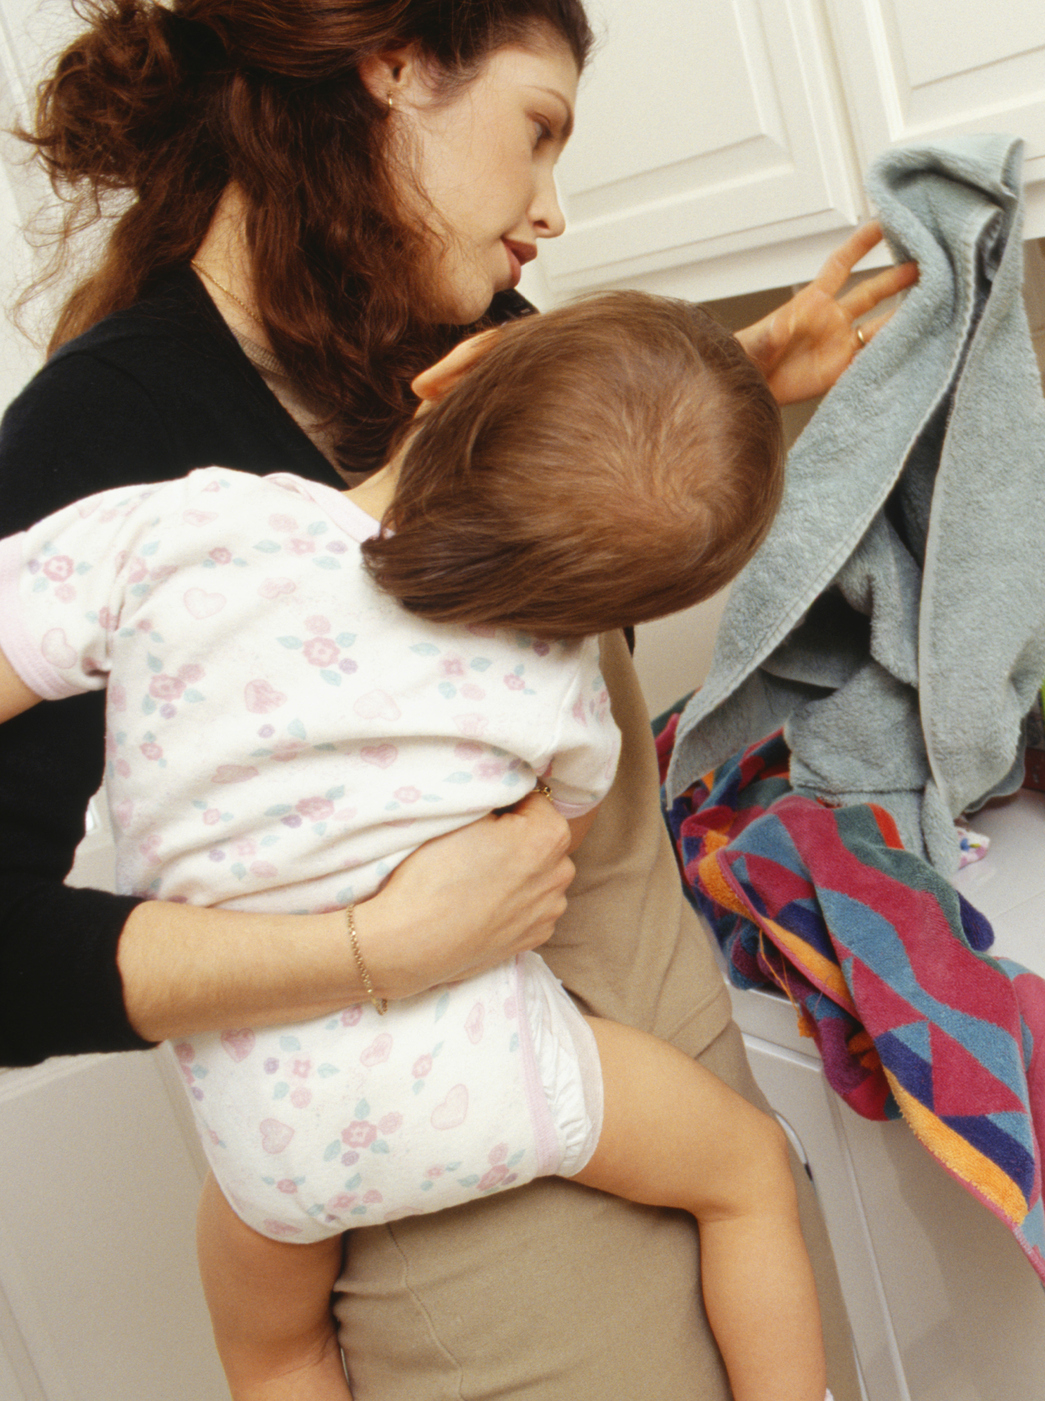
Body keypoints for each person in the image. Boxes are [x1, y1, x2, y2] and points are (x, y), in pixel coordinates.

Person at [1, 1, 913, 1394]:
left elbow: (575, 505)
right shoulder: (114, 429)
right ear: (388, 72)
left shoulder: (469, 338)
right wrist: (372, 943)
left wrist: (745, 371)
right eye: (537, 132)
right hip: (498, 1277)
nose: (551, 208)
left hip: (692, 1112)